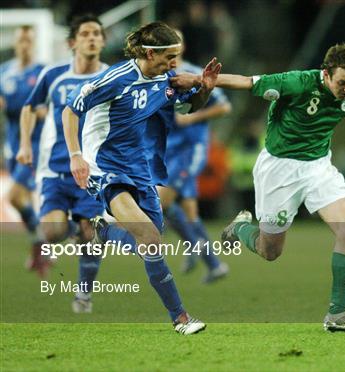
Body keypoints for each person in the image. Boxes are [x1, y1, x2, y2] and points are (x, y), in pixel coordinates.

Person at [186, 43, 345, 332]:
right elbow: (250, 82)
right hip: (279, 170)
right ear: (326, 74)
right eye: (343, 83)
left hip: (318, 167)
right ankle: (240, 228)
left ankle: (337, 314)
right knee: (270, 251)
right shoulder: (298, 82)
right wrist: (208, 81)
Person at [62, 21, 221, 335]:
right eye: (169, 56)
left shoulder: (163, 79)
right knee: (149, 238)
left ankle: (99, 230)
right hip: (104, 168)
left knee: (152, 239)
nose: (174, 63)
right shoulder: (115, 79)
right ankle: (181, 318)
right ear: (151, 52)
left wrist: (205, 88)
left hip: (138, 168)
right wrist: (75, 155)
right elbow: (71, 110)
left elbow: (189, 108)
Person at [17, 15, 107, 295]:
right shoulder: (54, 75)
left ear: (103, 41)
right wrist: (24, 144)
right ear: (72, 42)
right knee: (54, 232)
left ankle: (84, 293)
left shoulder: (111, 76)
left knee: (91, 236)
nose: (92, 38)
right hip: (55, 169)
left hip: (92, 171)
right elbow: (29, 108)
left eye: (96, 33)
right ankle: (63, 233)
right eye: (85, 34)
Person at [153, 37, 232, 283]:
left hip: (190, 149)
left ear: (181, 47)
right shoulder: (157, 77)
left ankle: (196, 250)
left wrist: (192, 118)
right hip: (168, 153)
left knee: (160, 203)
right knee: (188, 213)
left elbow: (224, 107)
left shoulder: (195, 74)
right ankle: (213, 263)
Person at [0, 25, 45, 274]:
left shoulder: (42, 73)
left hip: (36, 146)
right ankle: (41, 248)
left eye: (29, 40)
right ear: (15, 43)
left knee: (14, 197)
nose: (25, 45)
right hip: (13, 146)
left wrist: (43, 111)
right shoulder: (4, 72)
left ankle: (41, 243)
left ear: (34, 43)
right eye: (21, 40)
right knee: (23, 200)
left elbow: (49, 108)